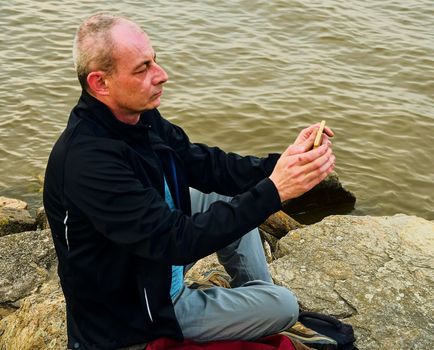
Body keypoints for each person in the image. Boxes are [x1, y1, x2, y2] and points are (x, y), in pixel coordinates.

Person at [43, 13, 335, 350]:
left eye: (154, 61)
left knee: (223, 200)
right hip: (136, 317)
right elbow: (174, 241)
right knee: (284, 306)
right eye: (142, 69)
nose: (162, 76)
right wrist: (275, 191)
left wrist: (280, 165)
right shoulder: (87, 161)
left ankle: (254, 298)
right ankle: (259, 307)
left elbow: (204, 164)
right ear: (100, 83)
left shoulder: (139, 117)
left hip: (152, 267)